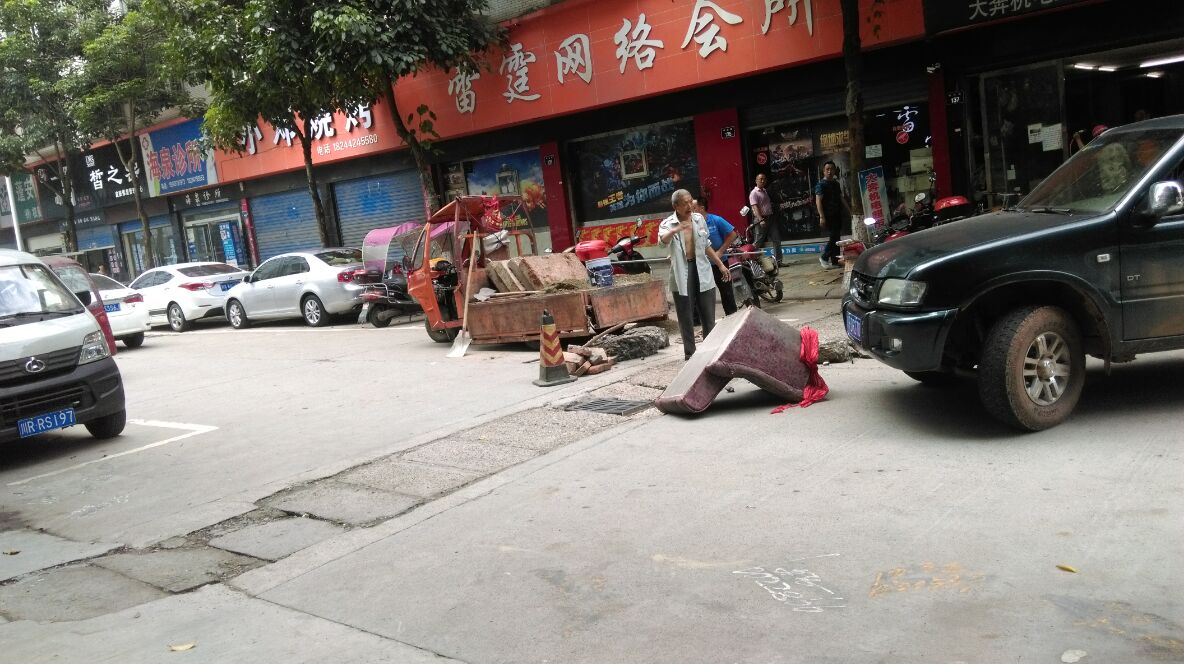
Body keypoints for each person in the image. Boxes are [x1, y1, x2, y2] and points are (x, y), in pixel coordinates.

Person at [659, 189, 730, 360]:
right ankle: (690, 354)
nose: (690, 206)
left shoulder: (699, 219)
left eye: (691, 201)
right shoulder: (668, 224)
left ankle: (709, 353)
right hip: (681, 272)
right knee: (686, 316)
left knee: (708, 315)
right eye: (685, 203)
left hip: (702, 269)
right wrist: (675, 230)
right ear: (675, 206)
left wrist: (720, 265)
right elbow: (662, 242)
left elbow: (706, 245)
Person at [693, 199, 738, 315]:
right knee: (699, 292)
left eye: (694, 208)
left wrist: (721, 251)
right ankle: (698, 320)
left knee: (726, 291)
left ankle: (732, 315)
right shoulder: (691, 224)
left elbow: (733, 234)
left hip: (720, 263)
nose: (691, 211)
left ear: (701, 208)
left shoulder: (716, 220)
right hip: (702, 265)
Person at [815, 161, 850, 268]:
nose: (829, 171)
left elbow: (841, 197)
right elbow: (818, 201)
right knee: (834, 237)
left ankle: (835, 261)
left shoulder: (836, 184)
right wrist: (822, 216)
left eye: (831, 169)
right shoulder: (821, 184)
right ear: (824, 171)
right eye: (827, 169)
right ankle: (824, 257)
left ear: (835, 170)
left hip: (837, 214)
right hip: (828, 215)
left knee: (837, 237)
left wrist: (849, 210)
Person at [748, 174, 782, 266]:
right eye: (760, 179)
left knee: (776, 239)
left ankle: (778, 261)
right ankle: (750, 261)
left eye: (764, 179)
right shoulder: (754, 193)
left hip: (770, 218)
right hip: (761, 220)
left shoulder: (765, 191)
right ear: (756, 181)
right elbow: (755, 207)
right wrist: (760, 219)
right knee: (758, 241)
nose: (762, 181)